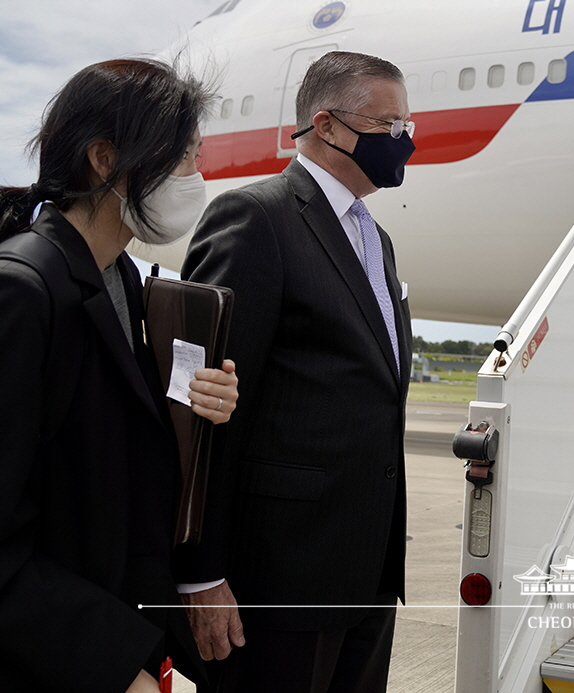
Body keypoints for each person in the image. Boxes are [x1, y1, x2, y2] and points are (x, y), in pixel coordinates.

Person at [0, 58, 239, 693]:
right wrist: (113, 667)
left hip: (119, 622)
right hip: (51, 654)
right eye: (181, 158)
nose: (195, 178)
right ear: (105, 158)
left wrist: (196, 408)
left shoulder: (125, 280)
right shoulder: (22, 290)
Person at [178, 51, 414, 693]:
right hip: (277, 580)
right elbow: (205, 410)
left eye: (406, 124)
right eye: (390, 125)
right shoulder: (257, 218)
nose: (405, 139)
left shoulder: (374, 239)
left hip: (364, 577)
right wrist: (201, 573)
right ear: (329, 125)